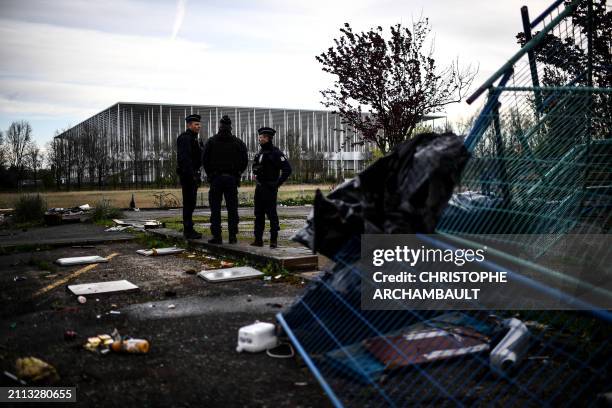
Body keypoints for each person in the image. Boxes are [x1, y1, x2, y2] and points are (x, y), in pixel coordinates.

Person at [202, 115, 248, 244]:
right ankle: (232, 236)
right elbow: (244, 161)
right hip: (231, 179)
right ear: (230, 127)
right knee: (232, 209)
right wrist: (237, 173)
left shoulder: (211, 141)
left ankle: (217, 236)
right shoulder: (238, 142)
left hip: (216, 179)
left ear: (220, 127)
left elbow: (205, 160)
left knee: (215, 209)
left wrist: (211, 174)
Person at [251, 127, 292, 248]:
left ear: (268, 138)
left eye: (262, 137)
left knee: (271, 215)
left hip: (270, 188)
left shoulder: (276, 152)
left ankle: (273, 240)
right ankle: (258, 239)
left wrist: (277, 183)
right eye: (259, 137)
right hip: (259, 188)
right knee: (258, 214)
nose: (260, 139)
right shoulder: (259, 153)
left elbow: (287, 169)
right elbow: (255, 166)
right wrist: (255, 170)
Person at [176, 114, 203, 239]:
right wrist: (190, 175)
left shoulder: (195, 139)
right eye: (196, 124)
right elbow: (184, 159)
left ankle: (189, 227)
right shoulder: (185, 138)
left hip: (194, 174)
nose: (199, 126)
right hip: (188, 175)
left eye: (199, 124)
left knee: (191, 203)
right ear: (189, 125)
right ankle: (188, 230)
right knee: (188, 202)